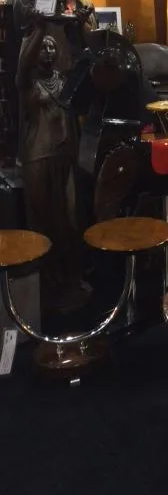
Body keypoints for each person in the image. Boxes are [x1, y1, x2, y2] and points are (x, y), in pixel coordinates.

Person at [17, 18, 86, 311]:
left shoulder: (62, 79)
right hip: (38, 156)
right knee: (42, 220)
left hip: (63, 154)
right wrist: (41, 28)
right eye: (42, 48)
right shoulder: (27, 82)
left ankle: (69, 280)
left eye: (51, 48)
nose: (47, 52)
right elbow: (23, 63)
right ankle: (47, 287)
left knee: (67, 220)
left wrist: (78, 28)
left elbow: (83, 68)